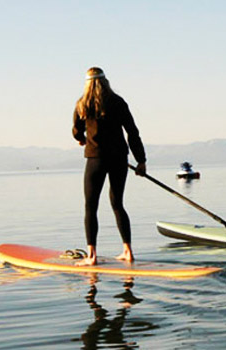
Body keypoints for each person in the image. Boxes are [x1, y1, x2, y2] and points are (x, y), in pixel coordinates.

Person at [72, 67, 147, 266]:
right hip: (119, 159)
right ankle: (128, 251)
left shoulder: (82, 104)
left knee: (91, 206)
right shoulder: (118, 102)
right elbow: (132, 132)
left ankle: (92, 256)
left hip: (95, 159)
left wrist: (81, 139)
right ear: (106, 81)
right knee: (117, 204)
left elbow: (76, 131)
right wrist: (141, 161)